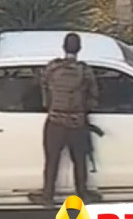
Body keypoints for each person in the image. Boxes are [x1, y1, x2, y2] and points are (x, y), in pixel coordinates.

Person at [28, 32, 102, 207]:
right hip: (77, 123)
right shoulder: (85, 71)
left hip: (55, 122)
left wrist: (51, 106)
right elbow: (94, 97)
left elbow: (44, 93)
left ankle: (47, 196)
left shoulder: (51, 68)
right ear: (79, 49)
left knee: (52, 160)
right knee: (80, 160)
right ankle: (82, 193)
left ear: (63, 47)